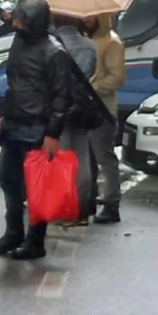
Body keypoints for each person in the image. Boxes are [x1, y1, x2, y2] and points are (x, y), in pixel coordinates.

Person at [0, 0, 74, 261]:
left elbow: (61, 96)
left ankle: (35, 240)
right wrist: (5, 113)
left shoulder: (54, 52)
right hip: (15, 124)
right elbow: (13, 82)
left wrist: (52, 134)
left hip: (37, 127)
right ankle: (13, 233)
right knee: (9, 181)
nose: (15, 22)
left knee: (37, 188)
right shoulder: (19, 42)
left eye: (20, 18)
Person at [53, 14, 98, 224]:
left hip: (59, 106)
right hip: (82, 106)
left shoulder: (52, 44)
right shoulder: (90, 46)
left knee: (62, 157)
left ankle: (64, 207)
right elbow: (90, 75)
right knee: (82, 158)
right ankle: (81, 208)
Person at [87, 14, 127, 224]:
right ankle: (89, 199)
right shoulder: (88, 40)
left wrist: (92, 88)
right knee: (88, 159)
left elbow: (117, 77)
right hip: (87, 108)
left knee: (104, 158)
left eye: (91, 17)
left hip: (103, 110)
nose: (86, 19)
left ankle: (112, 204)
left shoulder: (112, 42)